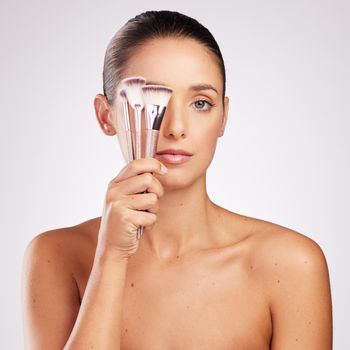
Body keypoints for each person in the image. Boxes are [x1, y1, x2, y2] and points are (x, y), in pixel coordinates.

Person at [21, 10, 332, 349]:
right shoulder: (55, 256)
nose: (176, 127)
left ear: (224, 116)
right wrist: (110, 257)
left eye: (201, 103)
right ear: (106, 116)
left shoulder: (290, 265)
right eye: (150, 102)